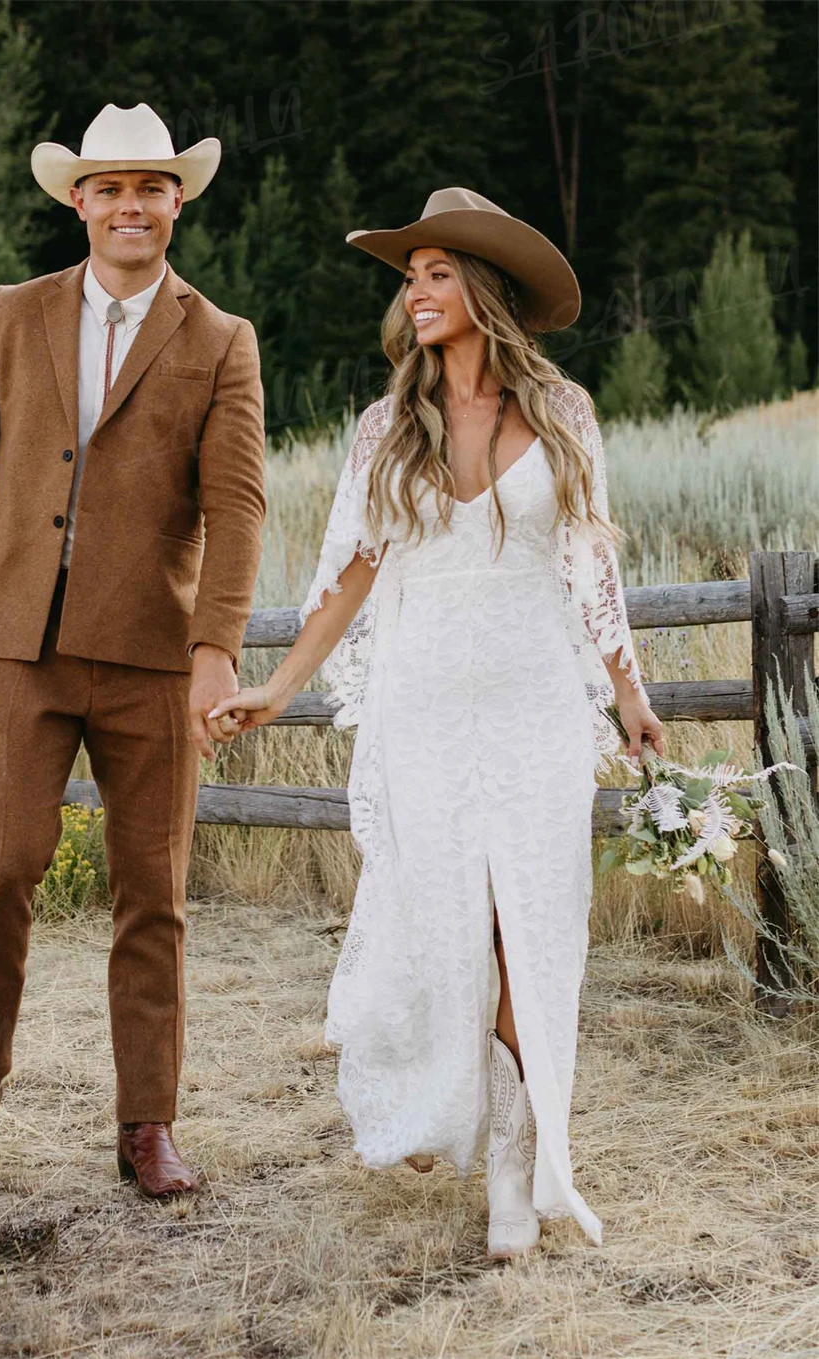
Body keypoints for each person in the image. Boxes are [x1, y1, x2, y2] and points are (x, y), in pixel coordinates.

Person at [208, 187, 664, 1256]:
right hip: (421, 712)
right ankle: (449, 1113)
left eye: (437, 273)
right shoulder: (386, 430)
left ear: (486, 290)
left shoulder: (564, 412)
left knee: (527, 932)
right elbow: (346, 578)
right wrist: (276, 688)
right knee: (447, 928)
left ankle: (517, 1171)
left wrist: (629, 691)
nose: (415, 292)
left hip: (535, 707)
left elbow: (592, 569)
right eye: (410, 276)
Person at [0, 102, 266, 1196]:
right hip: (21, 646)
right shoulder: (13, 314)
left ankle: (145, 1126)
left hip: (155, 656)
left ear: (177, 202)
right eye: (108, 188)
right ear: (78, 201)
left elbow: (239, 506)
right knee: (0, 871)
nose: (129, 206)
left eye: (150, 188)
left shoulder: (221, 338)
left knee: (151, 891)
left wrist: (217, 646)